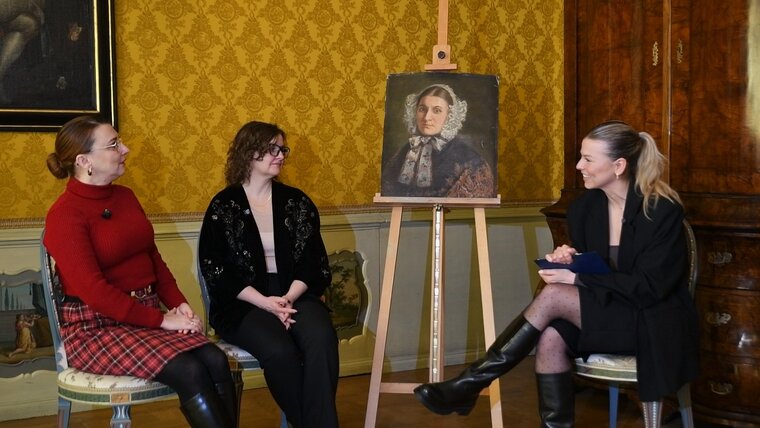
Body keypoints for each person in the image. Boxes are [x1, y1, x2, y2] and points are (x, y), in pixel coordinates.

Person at [413, 120, 699, 426]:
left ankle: (469, 385)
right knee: (550, 337)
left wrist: (576, 277)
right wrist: (571, 260)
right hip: (607, 313)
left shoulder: (660, 211)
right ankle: (480, 392)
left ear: (618, 166)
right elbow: (600, 269)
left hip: (652, 321)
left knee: (553, 295)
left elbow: (650, 287)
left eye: (588, 159)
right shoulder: (586, 208)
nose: (579, 166)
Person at [44, 115, 236, 428]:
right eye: (113, 145)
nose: (125, 149)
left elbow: (152, 259)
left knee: (215, 359)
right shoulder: (64, 215)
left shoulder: (125, 197)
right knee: (189, 370)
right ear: (84, 161)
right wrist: (163, 320)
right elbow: (95, 293)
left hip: (142, 316)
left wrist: (179, 305)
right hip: (95, 329)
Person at [199, 121, 339, 428]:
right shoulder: (224, 205)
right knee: (279, 350)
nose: (280, 156)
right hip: (243, 301)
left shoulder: (296, 202)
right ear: (248, 152)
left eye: (282, 149)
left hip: (294, 292)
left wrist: (286, 299)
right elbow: (216, 270)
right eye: (272, 149)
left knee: (321, 338)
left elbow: (313, 262)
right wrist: (266, 303)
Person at [381, 83, 496, 198]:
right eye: (422, 109)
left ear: (450, 115)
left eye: (437, 110)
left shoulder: (470, 160)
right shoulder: (404, 153)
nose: (426, 117)